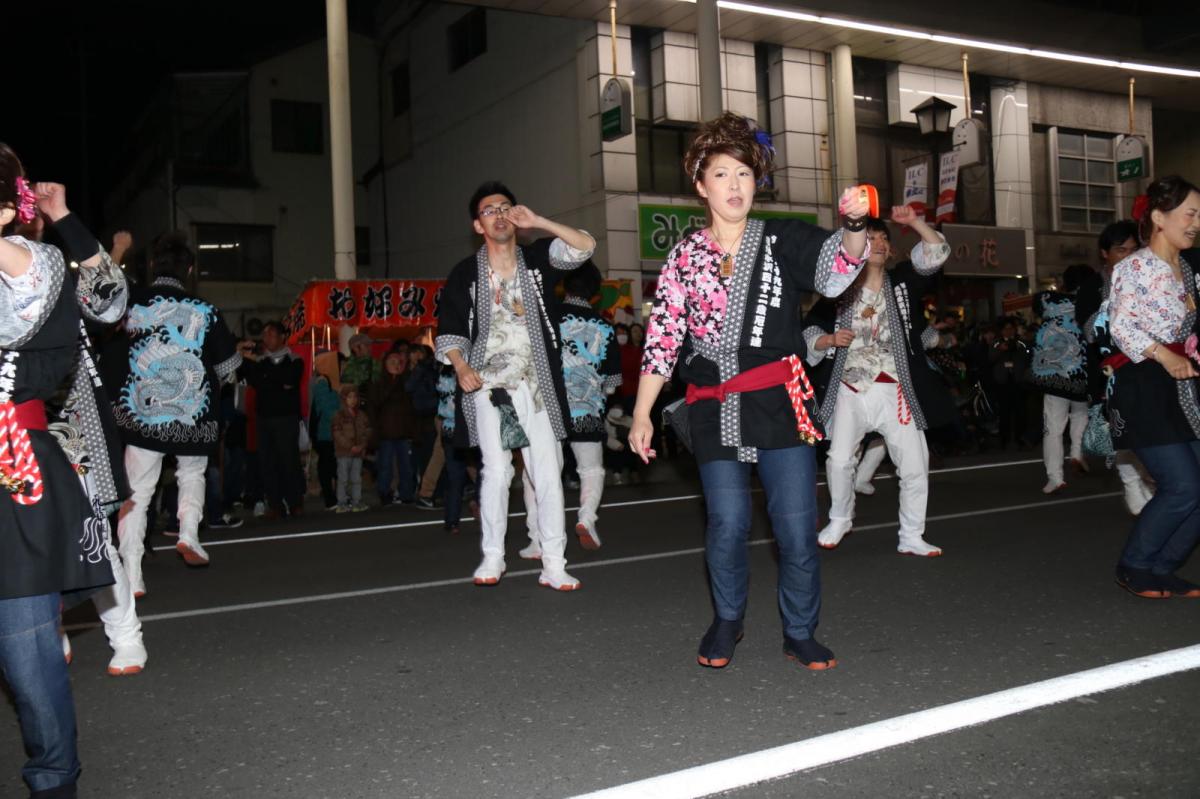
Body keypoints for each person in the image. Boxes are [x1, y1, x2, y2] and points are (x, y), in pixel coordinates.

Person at [629, 112, 870, 670]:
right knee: (728, 524)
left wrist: (856, 224)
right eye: (722, 174)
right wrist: (642, 412)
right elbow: (662, 339)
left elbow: (837, 271)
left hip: (778, 402)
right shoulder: (684, 257)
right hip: (713, 408)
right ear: (700, 184)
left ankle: (800, 630)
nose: (735, 185)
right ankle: (728, 619)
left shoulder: (781, 238)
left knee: (795, 527)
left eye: (743, 173)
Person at [1, 154, 127, 797]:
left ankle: (55, 777)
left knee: (28, 645)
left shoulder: (50, 271)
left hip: (35, 450)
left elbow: (111, 301)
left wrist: (65, 217)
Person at [435, 181, 596, 591]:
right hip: (490, 385)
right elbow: (450, 328)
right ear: (478, 224)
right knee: (496, 469)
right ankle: (493, 556)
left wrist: (538, 222)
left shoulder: (538, 259)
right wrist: (460, 365)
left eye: (505, 207)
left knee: (547, 471)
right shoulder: (465, 273)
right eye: (490, 210)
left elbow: (583, 247)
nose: (500, 214)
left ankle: (554, 562)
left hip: (538, 384)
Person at [804, 211, 953, 556]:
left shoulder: (902, 281)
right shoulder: (836, 288)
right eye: (872, 237)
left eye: (885, 237)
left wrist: (914, 222)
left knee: (915, 466)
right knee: (839, 460)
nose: (881, 243)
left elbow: (936, 252)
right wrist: (826, 341)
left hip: (897, 387)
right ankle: (841, 517)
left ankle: (912, 535)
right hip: (851, 386)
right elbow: (810, 329)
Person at [102, 232, 242, 589]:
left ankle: (132, 572)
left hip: (142, 415)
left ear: (152, 266)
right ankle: (189, 533)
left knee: (137, 492)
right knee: (192, 472)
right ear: (190, 268)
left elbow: (102, 292)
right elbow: (227, 367)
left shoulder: (133, 301)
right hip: (190, 414)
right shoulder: (205, 310)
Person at [1106, 175, 1200, 599]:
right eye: (1190, 214)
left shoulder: (1189, 269)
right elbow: (1121, 326)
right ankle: (1135, 565)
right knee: (1182, 486)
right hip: (1145, 382)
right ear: (1160, 218)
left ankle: (1162, 566)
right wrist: (1167, 355)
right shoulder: (1135, 266)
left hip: (1186, 386)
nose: (1196, 223)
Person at [519, 262, 622, 558]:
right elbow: (613, 382)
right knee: (591, 469)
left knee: (535, 474)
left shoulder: (547, 317)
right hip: (587, 407)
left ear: (565, 285)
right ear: (594, 292)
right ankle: (586, 517)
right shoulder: (604, 326)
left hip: (547, 408)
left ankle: (537, 539)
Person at [1078, 220, 1156, 515]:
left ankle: (1148, 479)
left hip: (1148, 364)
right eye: (1120, 250)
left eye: (1133, 249)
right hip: (1110, 369)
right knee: (1124, 427)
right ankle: (1131, 480)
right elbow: (1089, 331)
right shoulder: (1093, 286)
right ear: (1104, 253)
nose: (1128, 255)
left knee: (1149, 428)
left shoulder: (1149, 278)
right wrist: (1114, 307)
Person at [1028, 264, 1094, 493]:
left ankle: (1055, 477)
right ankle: (1076, 452)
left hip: (1053, 374)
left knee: (1053, 428)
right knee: (1080, 415)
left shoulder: (1047, 300)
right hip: (1081, 374)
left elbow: (1036, 305)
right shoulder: (1090, 303)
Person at [238, 321, 304, 518]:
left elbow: (290, 380)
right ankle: (274, 503)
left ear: (283, 336)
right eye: (265, 335)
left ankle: (294, 502)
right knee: (267, 461)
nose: (267, 339)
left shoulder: (294, 359)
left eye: (272, 334)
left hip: (286, 418)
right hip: (264, 418)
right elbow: (258, 383)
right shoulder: (260, 362)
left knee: (289, 460)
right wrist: (275, 381)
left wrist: (269, 379)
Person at [369, 350, 419, 504]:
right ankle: (384, 492)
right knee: (385, 465)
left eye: (399, 362)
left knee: (406, 466)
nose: (396, 365)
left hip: (403, 431)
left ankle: (406, 494)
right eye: (392, 361)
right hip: (385, 431)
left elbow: (412, 406)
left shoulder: (407, 381)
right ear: (385, 363)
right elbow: (375, 404)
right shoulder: (379, 383)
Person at [989, 318, 1031, 448]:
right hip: (1002, 382)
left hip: (1018, 381)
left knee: (1020, 411)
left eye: (1011, 328)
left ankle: (1021, 437)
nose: (1008, 331)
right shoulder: (996, 343)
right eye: (1006, 328)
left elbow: (1029, 355)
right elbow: (990, 358)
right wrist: (1000, 349)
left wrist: (1020, 348)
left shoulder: (1021, 342)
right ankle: (1004, 439)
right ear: (1001, 330)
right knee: (1004, 412)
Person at [332, 384, 371, 512]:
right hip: (344, 453)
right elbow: (337, 435)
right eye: (349, 397)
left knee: (356, 479)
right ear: (344, 399)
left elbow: (367, 432)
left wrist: (361, 446)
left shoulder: (361, 415)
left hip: (358, 452)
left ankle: (356, 502)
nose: (353, 400)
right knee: (343, 478)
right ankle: (341, 503)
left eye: (355, 397)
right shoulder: (338, 416)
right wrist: (351, 446)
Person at [310, 372, 341, 510]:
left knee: (326, 467)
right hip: (331, 434)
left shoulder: (317, 389)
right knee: (333, 466)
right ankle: (335, 496)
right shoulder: (329, 390)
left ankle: (331, 497)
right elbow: (331, 411)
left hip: (322, 435)